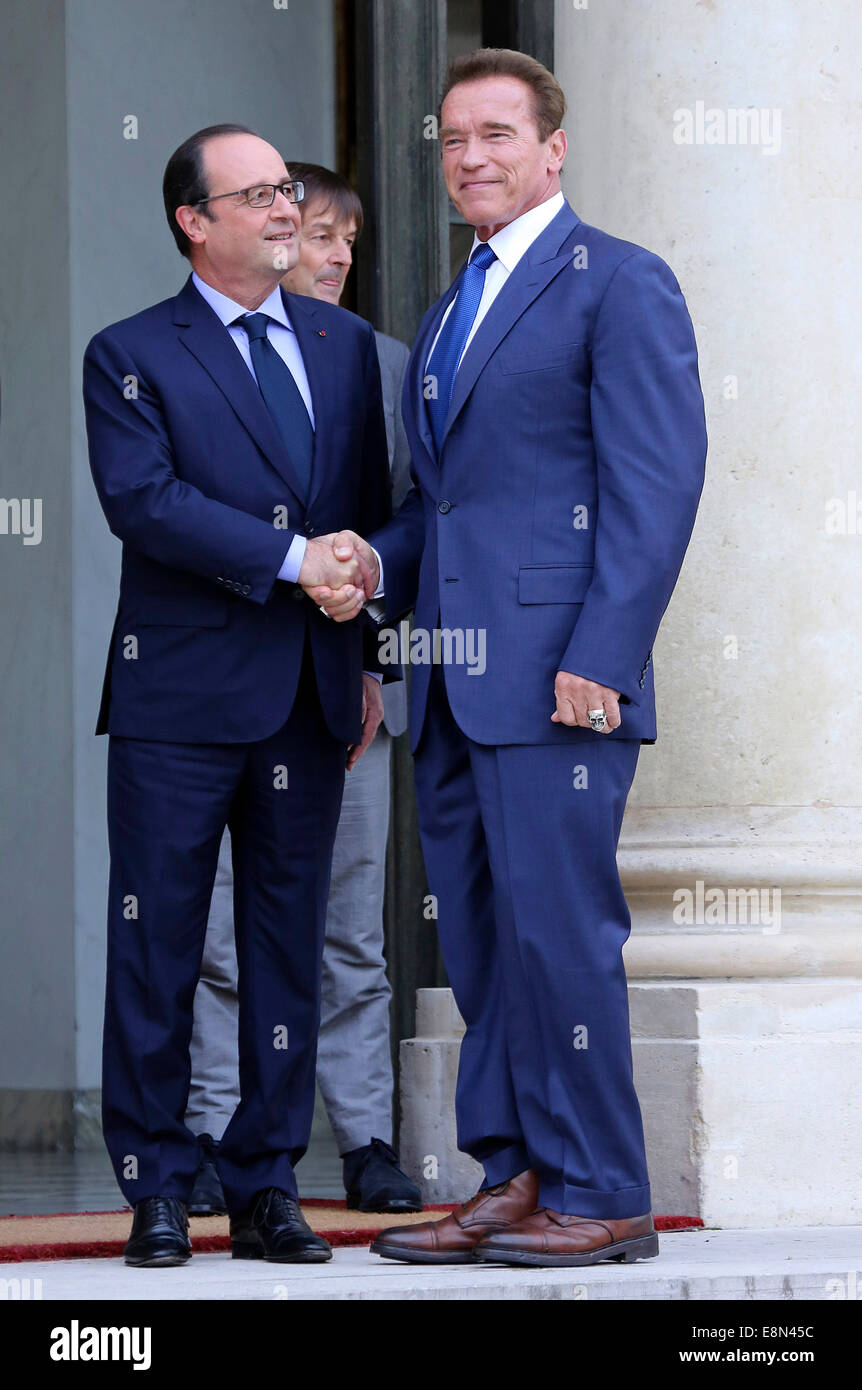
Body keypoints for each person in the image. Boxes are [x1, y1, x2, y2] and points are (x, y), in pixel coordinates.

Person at [307, 48, 707, 1268]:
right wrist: (375, 567)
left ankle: (606, 1189)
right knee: (480, 939)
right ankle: (517, 1171)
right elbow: (448, 507)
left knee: (559, 935)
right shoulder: (446, 309)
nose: (470, 157)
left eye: (495, 134)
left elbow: (657, 483)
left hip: (560, 682)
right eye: (453, 140)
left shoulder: (620, 283)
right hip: (455, 673)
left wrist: (606, 650)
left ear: (552, 149)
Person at [83, 124, 392, 1266]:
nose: (283, 208)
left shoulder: (345, 344)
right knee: (158, 944)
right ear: (194, 222)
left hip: (310, 690)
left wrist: (363, 618)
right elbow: (145, 502)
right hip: (176, 697)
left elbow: (368, 509)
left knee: (285, 947)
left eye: (284, 190)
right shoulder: (128, 351)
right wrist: (294, 561)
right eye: (256, 194)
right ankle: (160, 1182)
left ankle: (268, 1185)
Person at [185, 163, 421, 1216]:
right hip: (224, 695)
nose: (329, 255)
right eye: (312, 232)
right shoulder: (198, 360)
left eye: (344, 240)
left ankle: (366, 1138)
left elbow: (416, 530)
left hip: (348, 704)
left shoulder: (386, 369)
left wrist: (374, 655)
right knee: (222, 933)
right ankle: (203, 1137)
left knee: (347, 935)